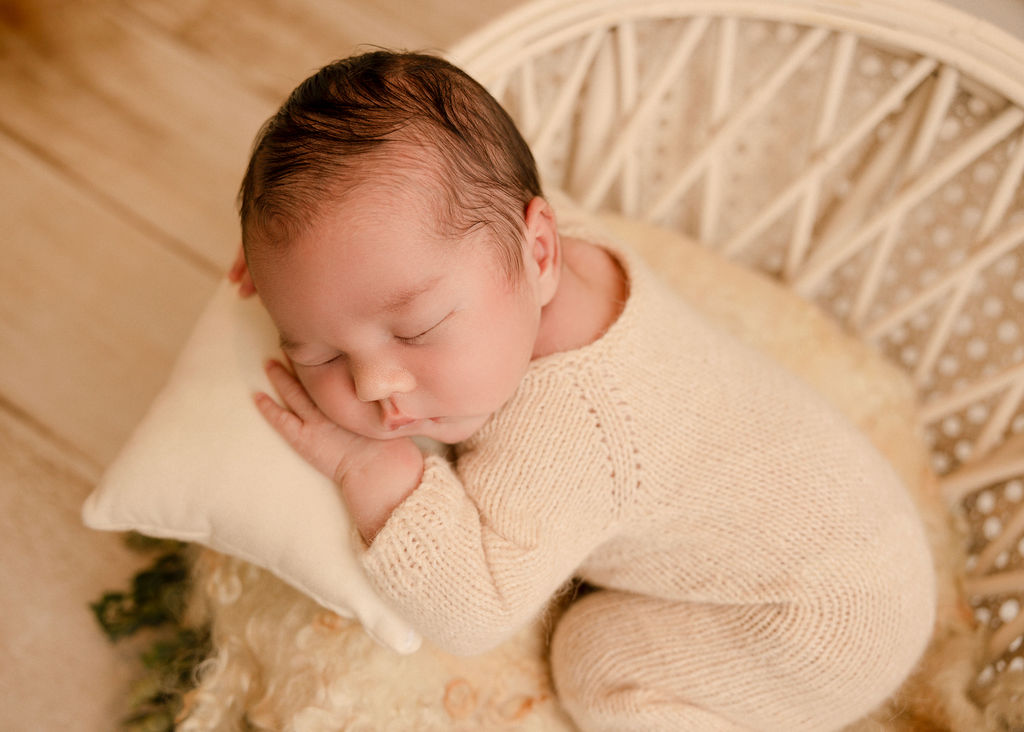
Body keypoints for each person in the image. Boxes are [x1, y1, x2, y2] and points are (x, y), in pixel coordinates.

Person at [228, 50, 936, 731]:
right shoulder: (537, 250)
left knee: (595, 659)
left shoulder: (569, 426)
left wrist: (372, 471)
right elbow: (468, 201)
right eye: (318, 351)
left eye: (414, 330)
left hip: (818, 628)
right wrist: (321, 274)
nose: (375, 384)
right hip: (862, 535)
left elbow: (476, 610)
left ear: (540, 251)